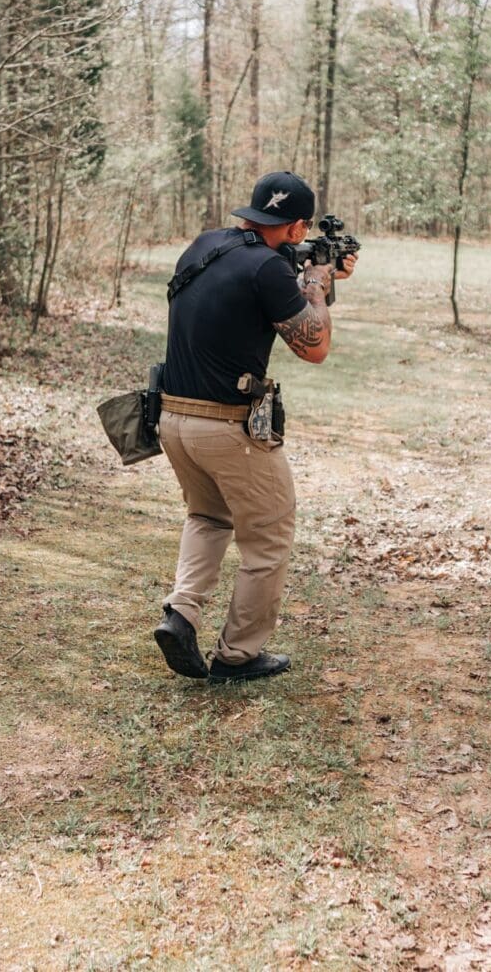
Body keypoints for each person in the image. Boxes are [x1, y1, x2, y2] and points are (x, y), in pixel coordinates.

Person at [151, 172, 357, 683]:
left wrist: (310, 269)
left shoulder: (206, 245)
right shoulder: (269, 269)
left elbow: (251, 286)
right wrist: (318, 282)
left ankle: (181, 613)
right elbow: (315, 347)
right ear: (297, 226)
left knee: (208, 516)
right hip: (227, 426)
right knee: (269, 538)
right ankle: (237, 656)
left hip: (173, 417)